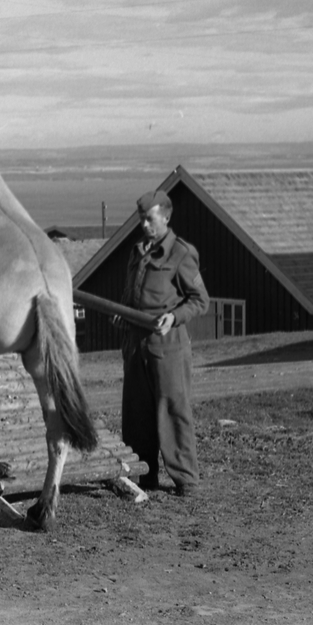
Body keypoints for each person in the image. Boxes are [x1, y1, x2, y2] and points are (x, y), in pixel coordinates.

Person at [117, 189, 209, 497]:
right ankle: (143, 475)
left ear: (166, 218)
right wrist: (122, 313)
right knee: (136, 413)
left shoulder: (181, 253)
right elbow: (131, 294)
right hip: (135, 345)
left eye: (150, 219)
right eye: (141, 219)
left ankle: (186, 480)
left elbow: (200, 300)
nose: (144, 225)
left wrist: (174, 316)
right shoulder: (137, 252)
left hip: (167, 345)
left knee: (172, 410)